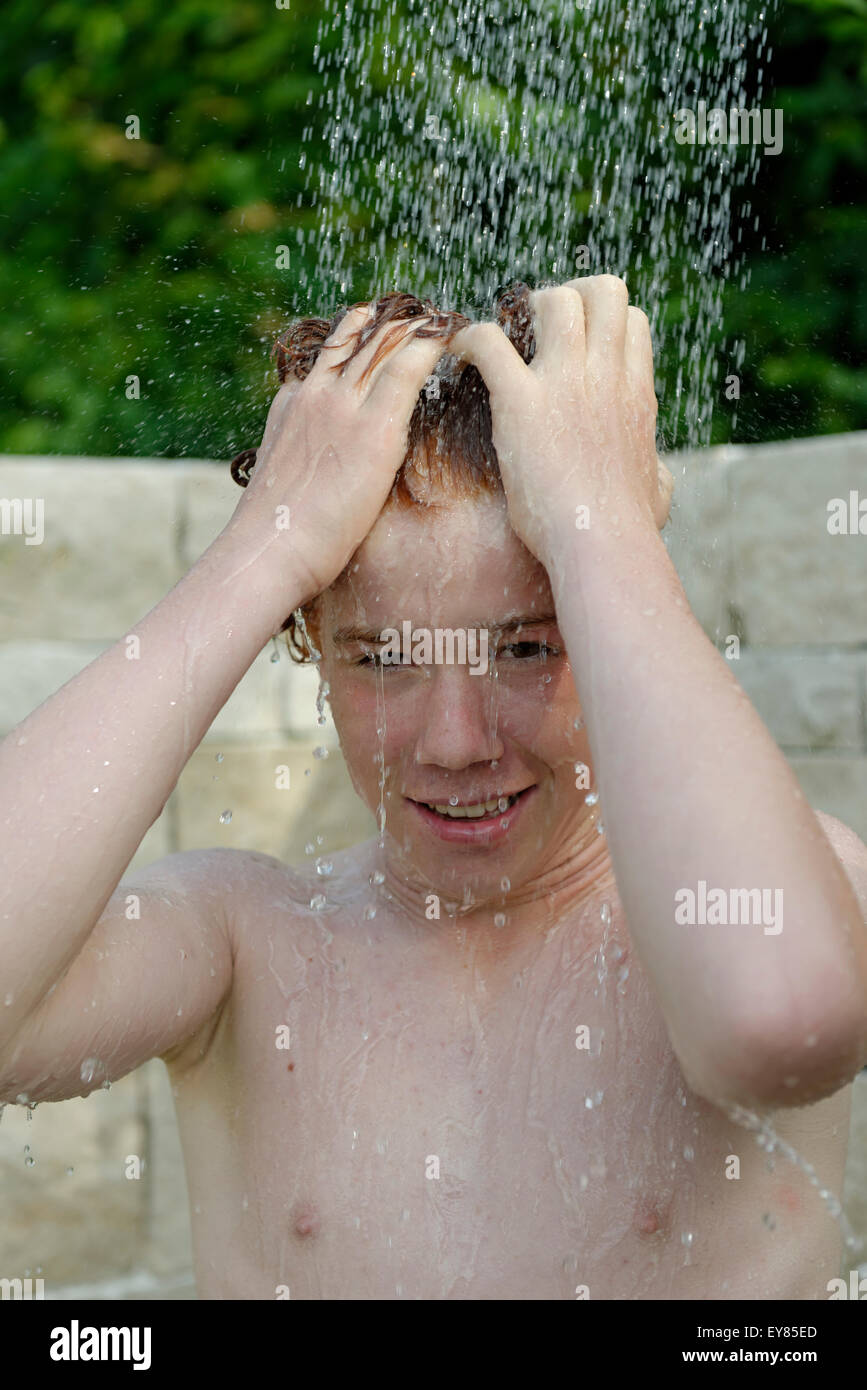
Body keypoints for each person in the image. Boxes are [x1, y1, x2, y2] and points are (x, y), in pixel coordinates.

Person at [2, 277, 866, 1300]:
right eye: (381, 659)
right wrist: (264, 550)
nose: (456, 743)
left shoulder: (762, 903)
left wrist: (603, 528)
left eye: (528, 647)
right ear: (312, 646)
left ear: (614, 618)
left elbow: (779, 1021)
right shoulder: (246, 946)